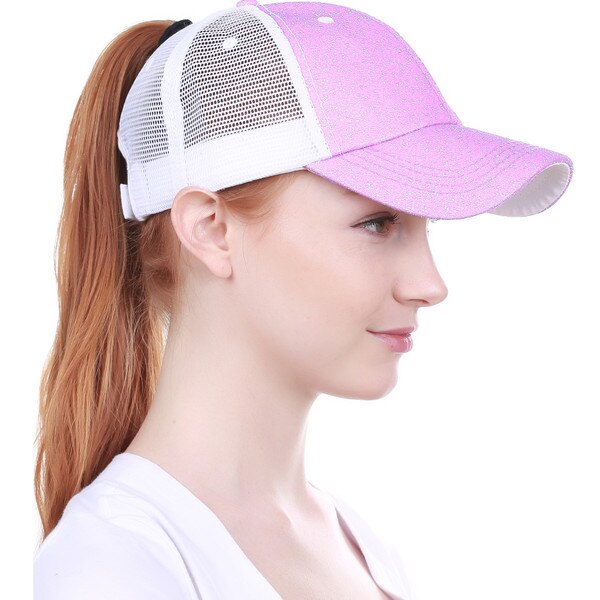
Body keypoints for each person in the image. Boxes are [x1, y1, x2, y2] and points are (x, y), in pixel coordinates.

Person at [32, 1, 574, 598]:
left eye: (427, 228)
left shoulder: (359, 544)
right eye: (377, 223)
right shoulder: (114, 561)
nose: (430, 285)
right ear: (212, 230)